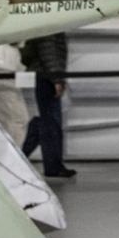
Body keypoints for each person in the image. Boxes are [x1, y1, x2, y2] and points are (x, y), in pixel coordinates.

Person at [20, 31, 75, 179]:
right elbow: (48, 52)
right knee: (50, 123)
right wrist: (56, 78)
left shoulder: (49, 26)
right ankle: (52, 166)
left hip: (45, 76)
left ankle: (29, 155)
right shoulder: (50, 28)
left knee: (47, 121)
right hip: (47, 77)